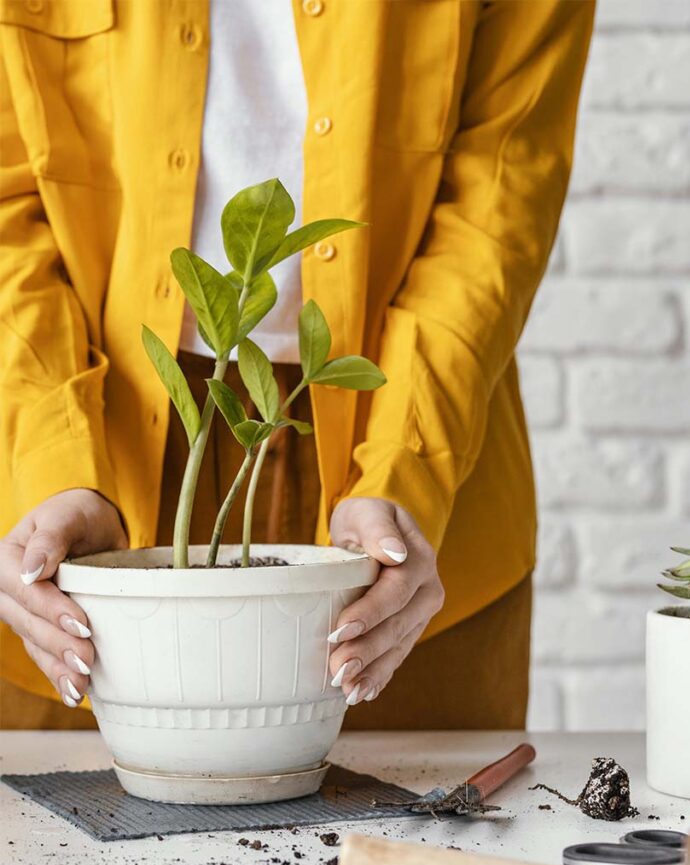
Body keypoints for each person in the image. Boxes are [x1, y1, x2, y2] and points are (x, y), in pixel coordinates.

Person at [0, 0, 594, 730]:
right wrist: (57, 463)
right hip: (82, 449)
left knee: (412, 827)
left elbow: (498, 201)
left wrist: (403, 469)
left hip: (411, 452)